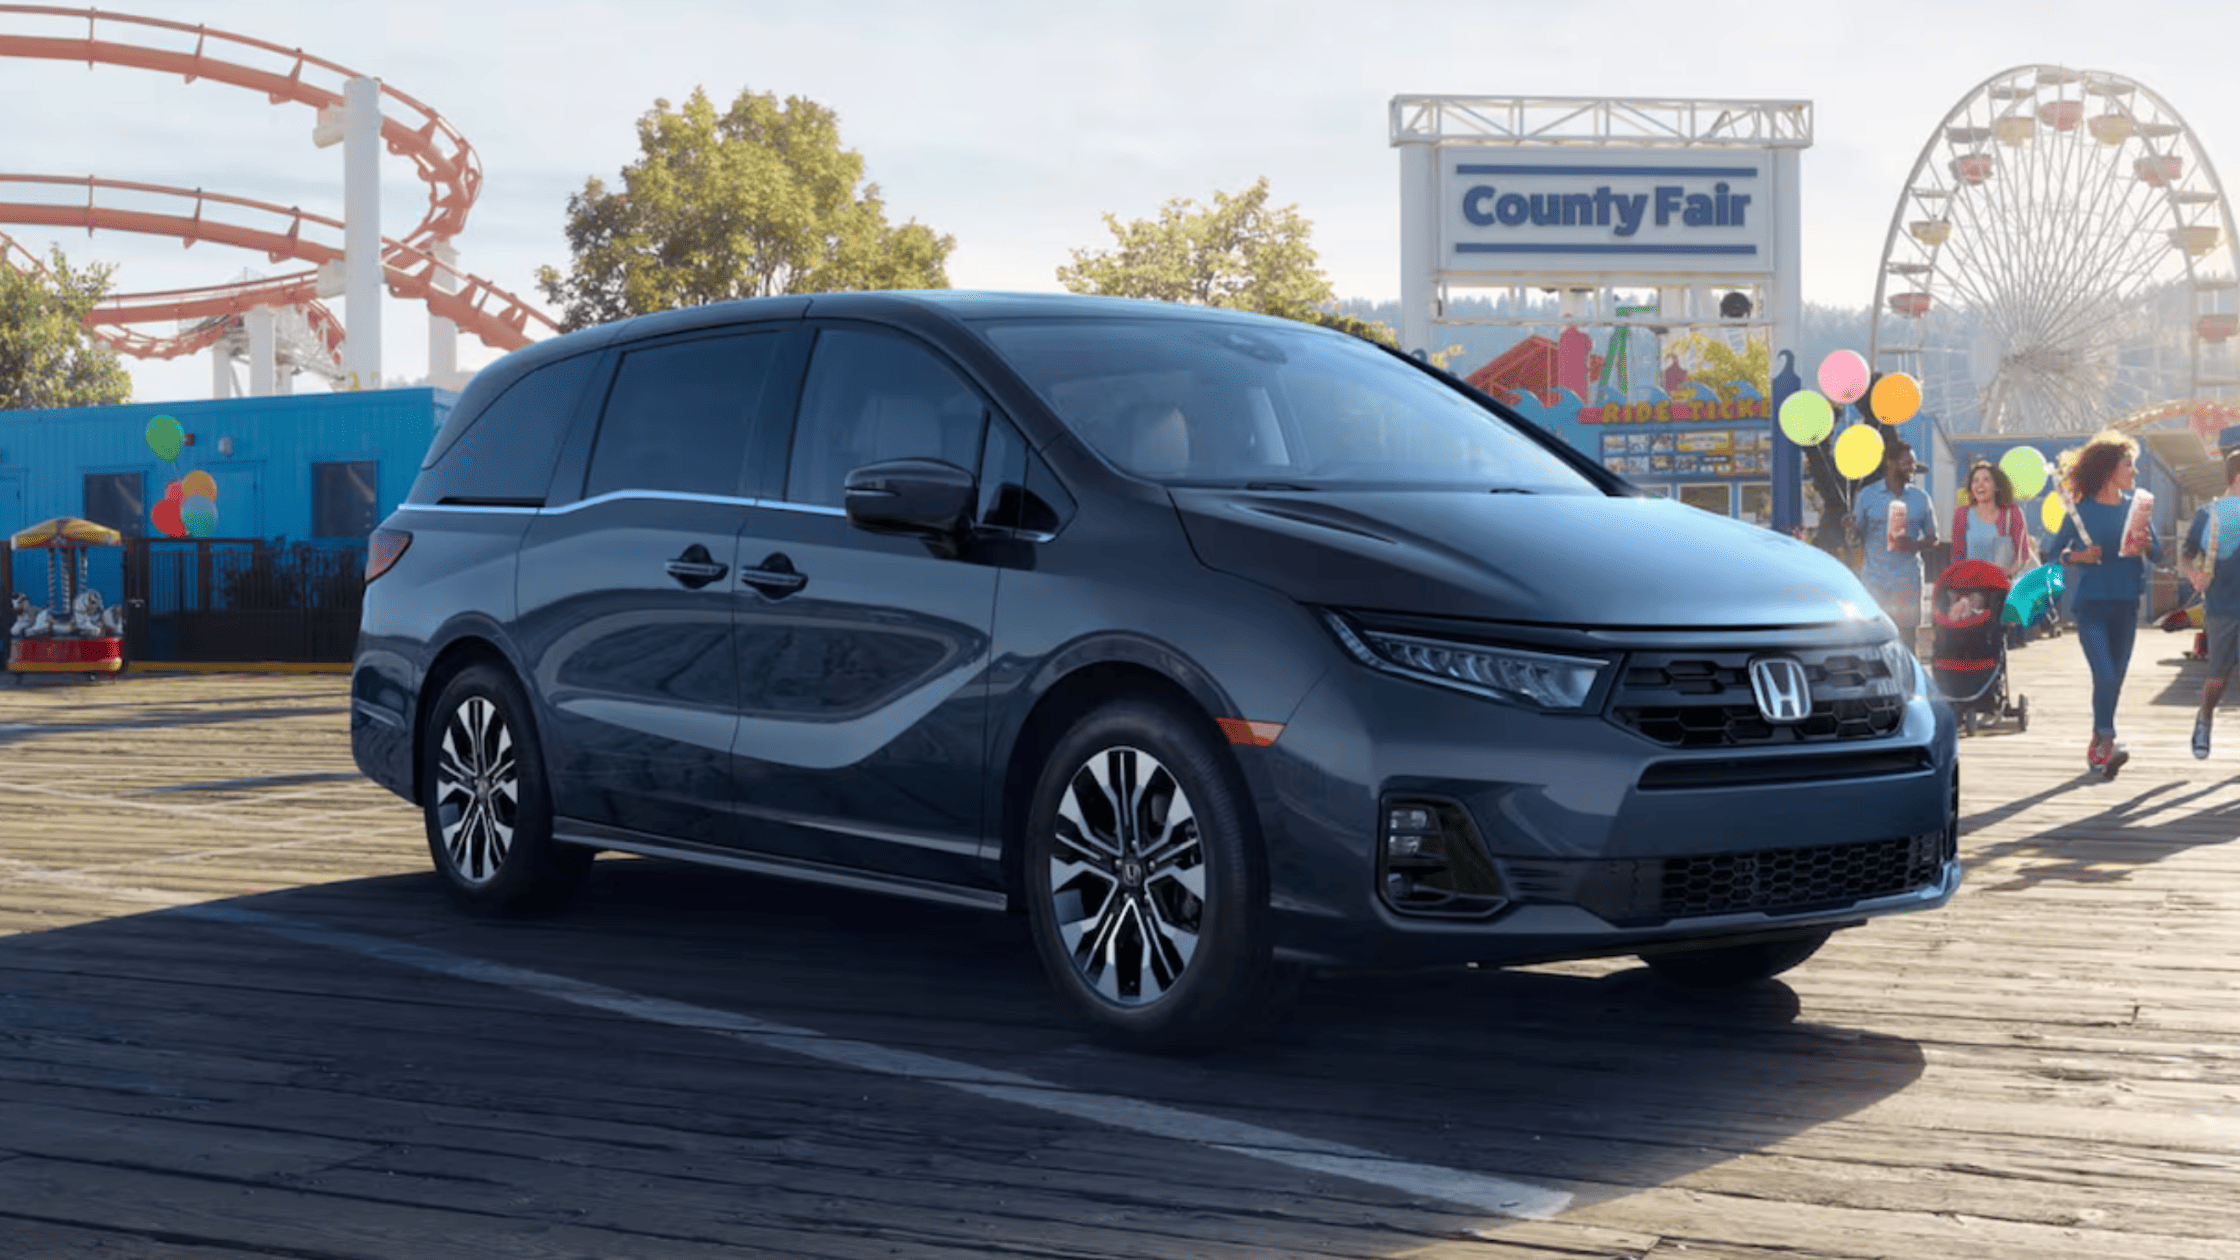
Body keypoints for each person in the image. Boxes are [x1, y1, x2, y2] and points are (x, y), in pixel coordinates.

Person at [2046, 430, 2158, 778]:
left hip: (2126, 606)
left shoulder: (2136, 508)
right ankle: (2106, 741)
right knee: (2105, 675)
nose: (2135, 473)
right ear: (2111, 470)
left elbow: (2160, 552)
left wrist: (2145, 544)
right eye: (2130, 466)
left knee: (2113, 681)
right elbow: (2053, 554)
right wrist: (2078, 555)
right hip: (2092, 606)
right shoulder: (2081, 511)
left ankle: (2100, 745)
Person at [1849, 436, 1939, 652]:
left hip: (1907, 578)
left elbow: (1933, 539)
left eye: (1913, 463)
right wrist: (1849, 528)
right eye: (1908, 463)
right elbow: (1855, 538)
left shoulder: (1921, 498)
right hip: (1875, 580)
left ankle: (1909, 683)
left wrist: (1913, 546)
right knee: (1873, 638)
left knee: (1906, 640)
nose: (1912, 468)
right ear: (1891, 464)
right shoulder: (1867, 496)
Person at [2180, 449, 2240, 758]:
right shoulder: (2210, 514)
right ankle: (2205, 717)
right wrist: (2193, 575)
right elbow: (2186, 552)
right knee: (2219, 676)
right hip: (2223, 608)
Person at [1948, 459, 2033, 578]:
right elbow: (1956, 557)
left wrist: (2006, 573)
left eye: (1986, 480)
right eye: (1975, 480)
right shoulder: (1961, 514)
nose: (1980, 485)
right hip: (1972, 585)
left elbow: (2023, 555)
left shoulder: (2012, 513)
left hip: (2002, 585)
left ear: (1996, 486)